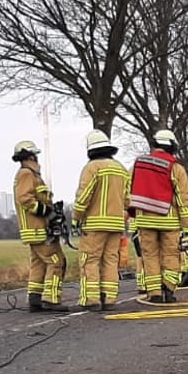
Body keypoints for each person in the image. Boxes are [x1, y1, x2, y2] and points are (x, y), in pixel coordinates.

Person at [128, 129, 188, 303]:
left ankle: (155, 294)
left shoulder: (138, 164)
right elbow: (183, 199)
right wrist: (187, 225)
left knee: (149, 255)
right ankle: (169, 290)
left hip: (144, 220)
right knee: (171, 255)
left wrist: (131, 215)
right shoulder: (176, 168)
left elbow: (128, 192)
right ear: (172, 146)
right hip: (169, 220)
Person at [72, 130, 130, 311]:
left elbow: (84, 196)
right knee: (110, 260)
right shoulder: (121, 169)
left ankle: (91, 300)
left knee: (89, 260)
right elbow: (128, 199)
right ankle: (109, 299)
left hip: (95, 224)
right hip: (116, 224)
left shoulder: (92, 167)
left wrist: (76, 218)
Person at [12, 140, 66, 312]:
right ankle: (51, 299)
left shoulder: (31, 175)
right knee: (57, 261)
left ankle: (35, 299)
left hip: (37, 229)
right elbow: (25, 199)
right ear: (30, 156)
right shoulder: (26, 174)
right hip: (37, 229)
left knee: (39, 263)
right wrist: (47, 212)